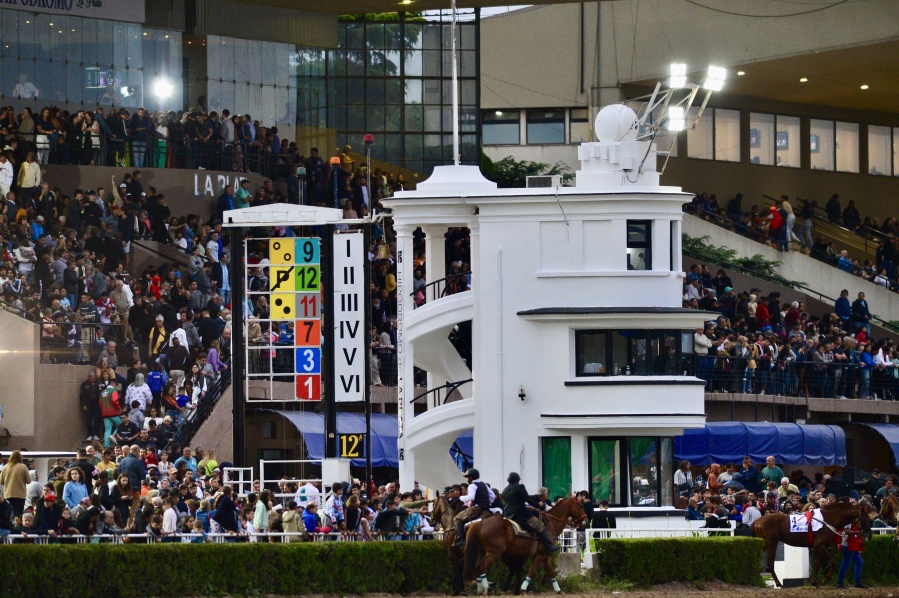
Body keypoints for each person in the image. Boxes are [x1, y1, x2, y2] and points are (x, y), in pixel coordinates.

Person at [501, 472, 557, 553]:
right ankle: (548, 546)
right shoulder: (520, 487)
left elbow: (508, 503)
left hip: (507, 515)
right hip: (519, 514)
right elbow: (527, 499)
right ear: (517, 480)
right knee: (539, 524)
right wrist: (537, 504)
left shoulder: (505, 490)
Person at [452, 468, 494, 547]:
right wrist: (487, 503)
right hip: (486, 509)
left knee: (457, 519)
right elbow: (493, 496)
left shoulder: (472, 485)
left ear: (471, 477)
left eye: (467, 477)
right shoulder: (484, 484)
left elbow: (471, 497)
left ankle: (461, 539)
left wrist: (460, 498)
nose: (467, 479)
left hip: (476, 508)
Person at [836, 498, 868, 590]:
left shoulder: (853, 517)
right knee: (846, 563)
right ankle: (840, 582)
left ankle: (856, 582)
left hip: (851, 544)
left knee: (859, 562)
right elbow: (847, 531)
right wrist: (857, 532)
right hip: (847, 544)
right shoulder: (849, 518)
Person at [0, 450, 31, 517]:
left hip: (8, 494)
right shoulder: (23, 467)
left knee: (9, 514)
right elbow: (29, 481)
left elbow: (1, 481)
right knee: (18, 515)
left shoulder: (5, 467)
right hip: (20, 495)